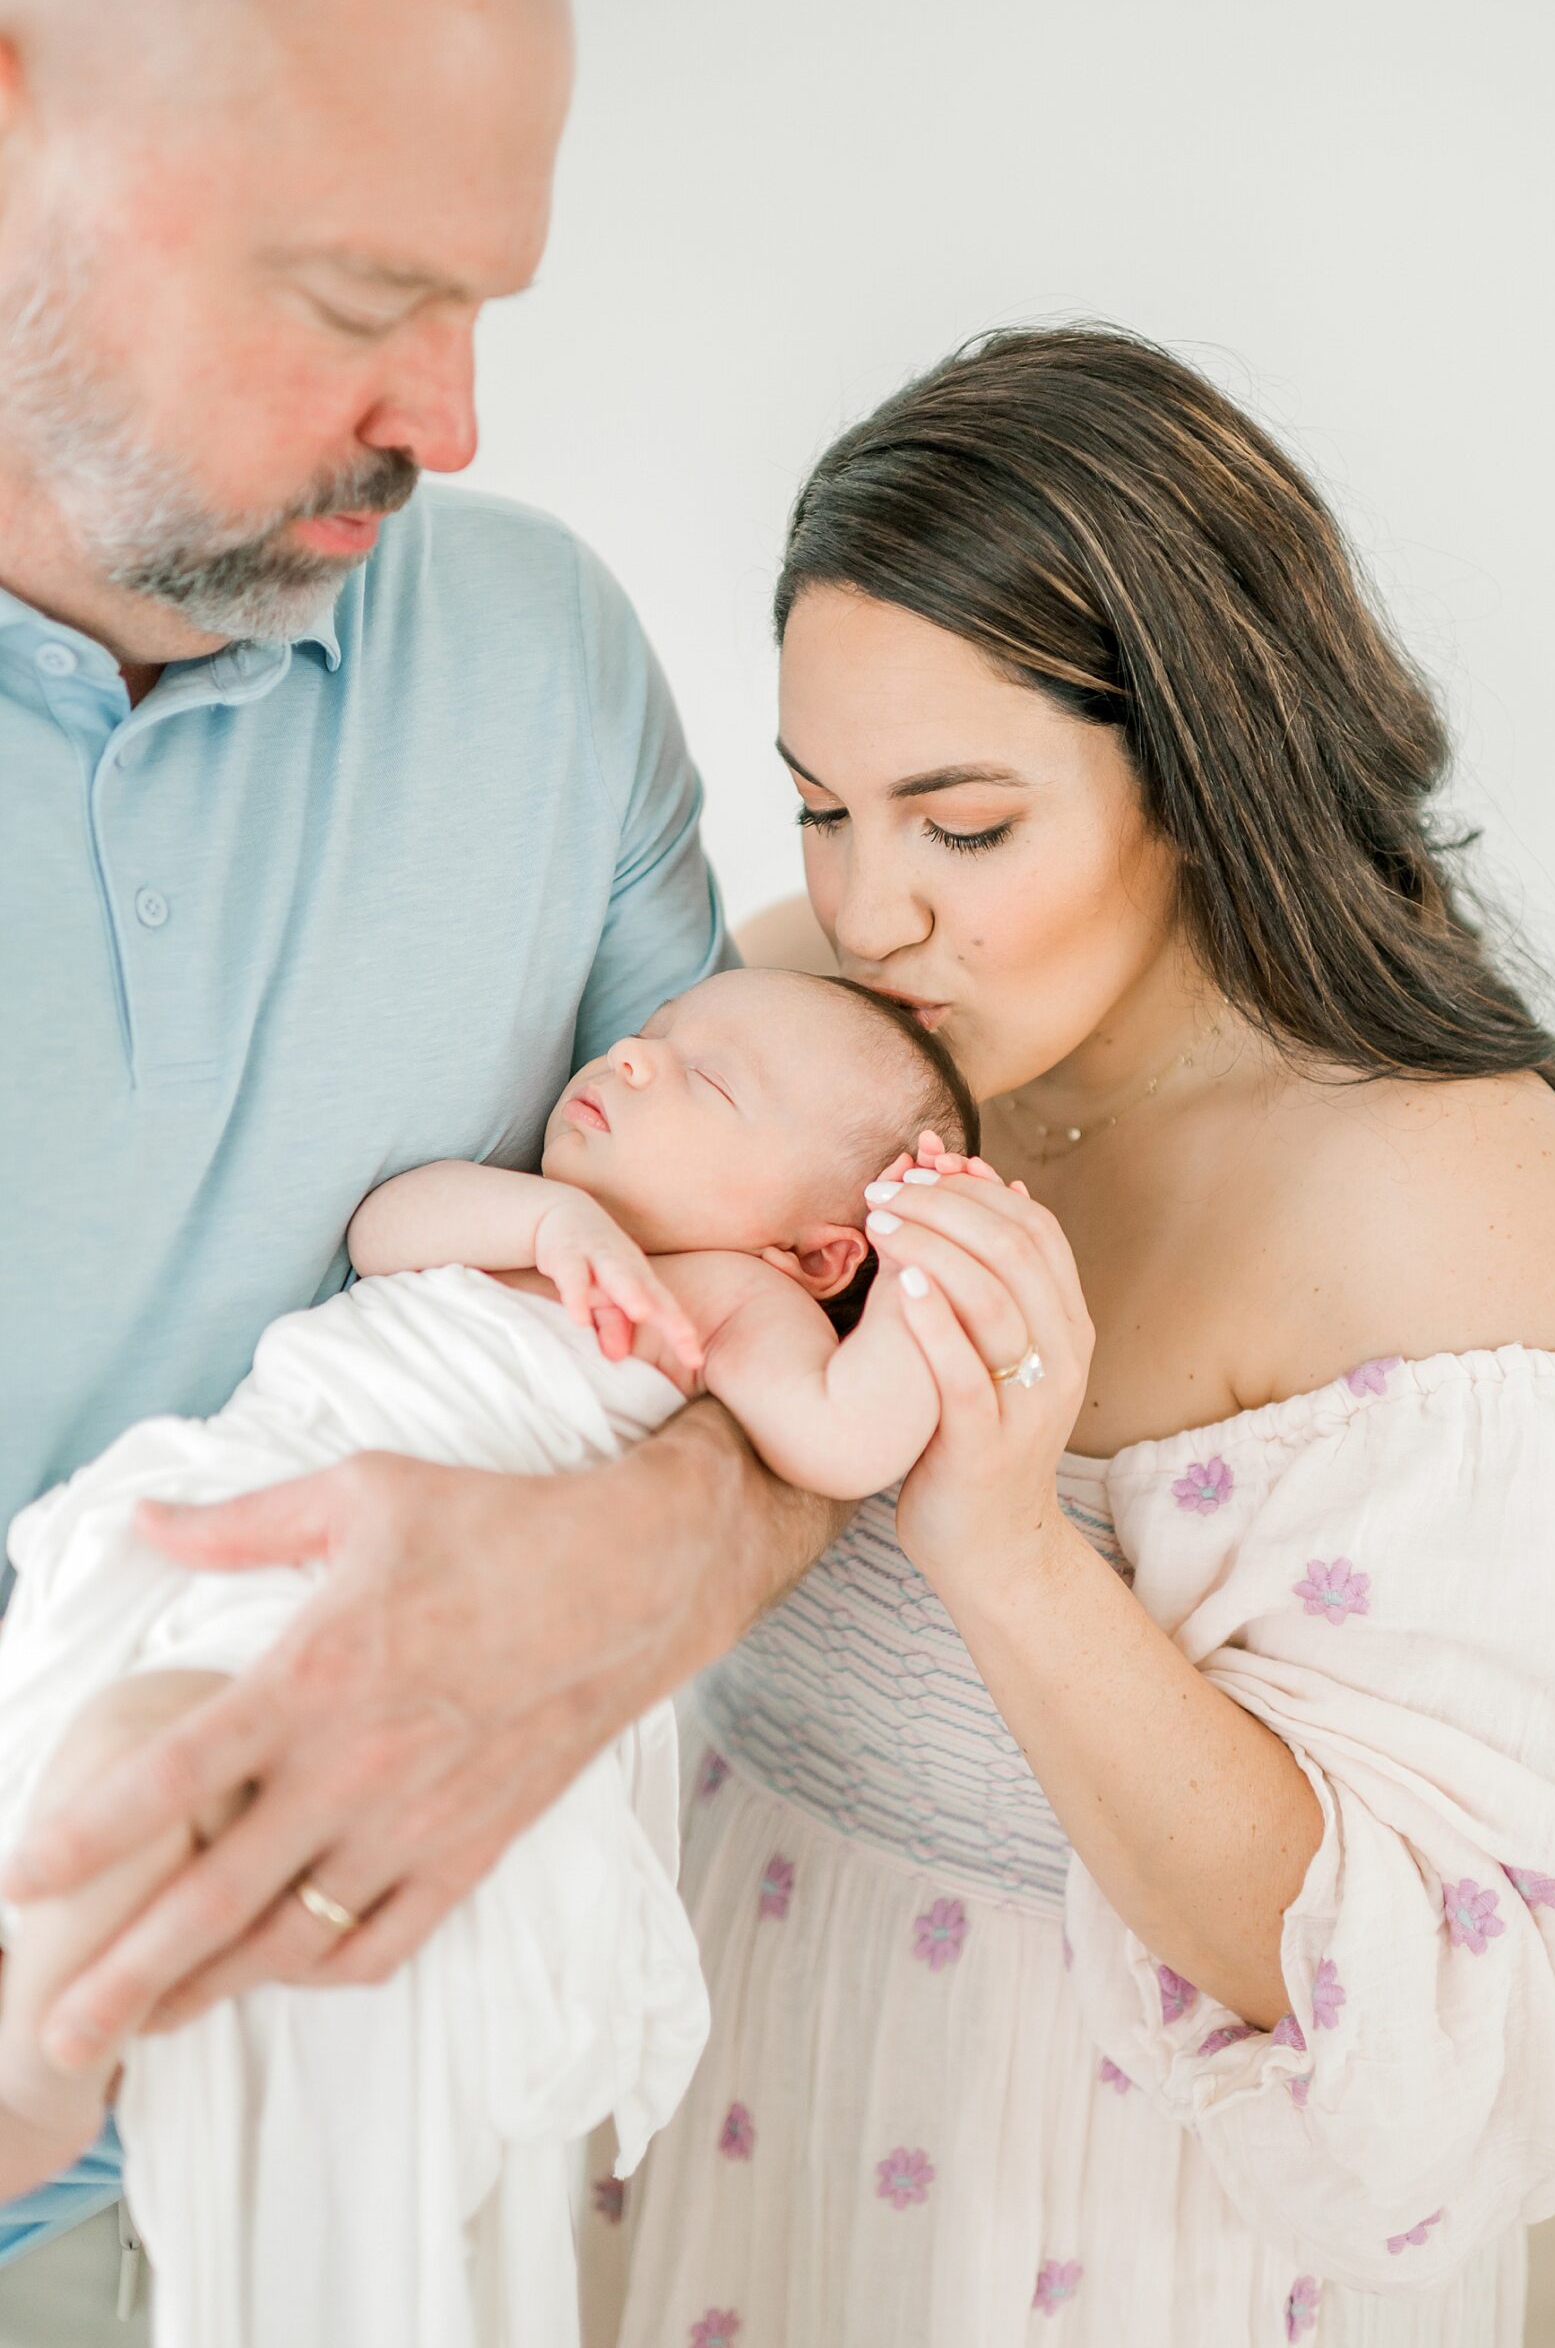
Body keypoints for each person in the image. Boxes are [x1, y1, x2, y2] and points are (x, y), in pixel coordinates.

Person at [585, 325, 1555, 2348]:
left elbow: (1425, 2022)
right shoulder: (820, 1043)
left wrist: (1006, 1545)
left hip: (1116, 2212)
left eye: (965, 821)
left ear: (1201, 772)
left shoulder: (1436, 1207)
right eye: (823, 804)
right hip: (749, 2057)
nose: (871, 904)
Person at [0, 0, 850, 2334]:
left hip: (336, 2180)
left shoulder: (543, 661)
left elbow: (783, 1302)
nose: (457, 417)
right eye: (367, 289)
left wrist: (605, 1573)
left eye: (488, 298)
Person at [0, 969, 977, 2345]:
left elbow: (850, 1440)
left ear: (819, 1253)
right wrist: (546, 1216)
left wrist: (935, 1259)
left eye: (705, 1082)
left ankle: (44, 2052)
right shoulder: (519, 1212)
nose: (635, 1063)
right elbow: (381, 1225)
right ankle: (45, 1999)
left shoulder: (733, 1304)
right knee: (125, 1741)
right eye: (653, 1041)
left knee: (157, 1752)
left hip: (419, 1614)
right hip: (269, 1500)